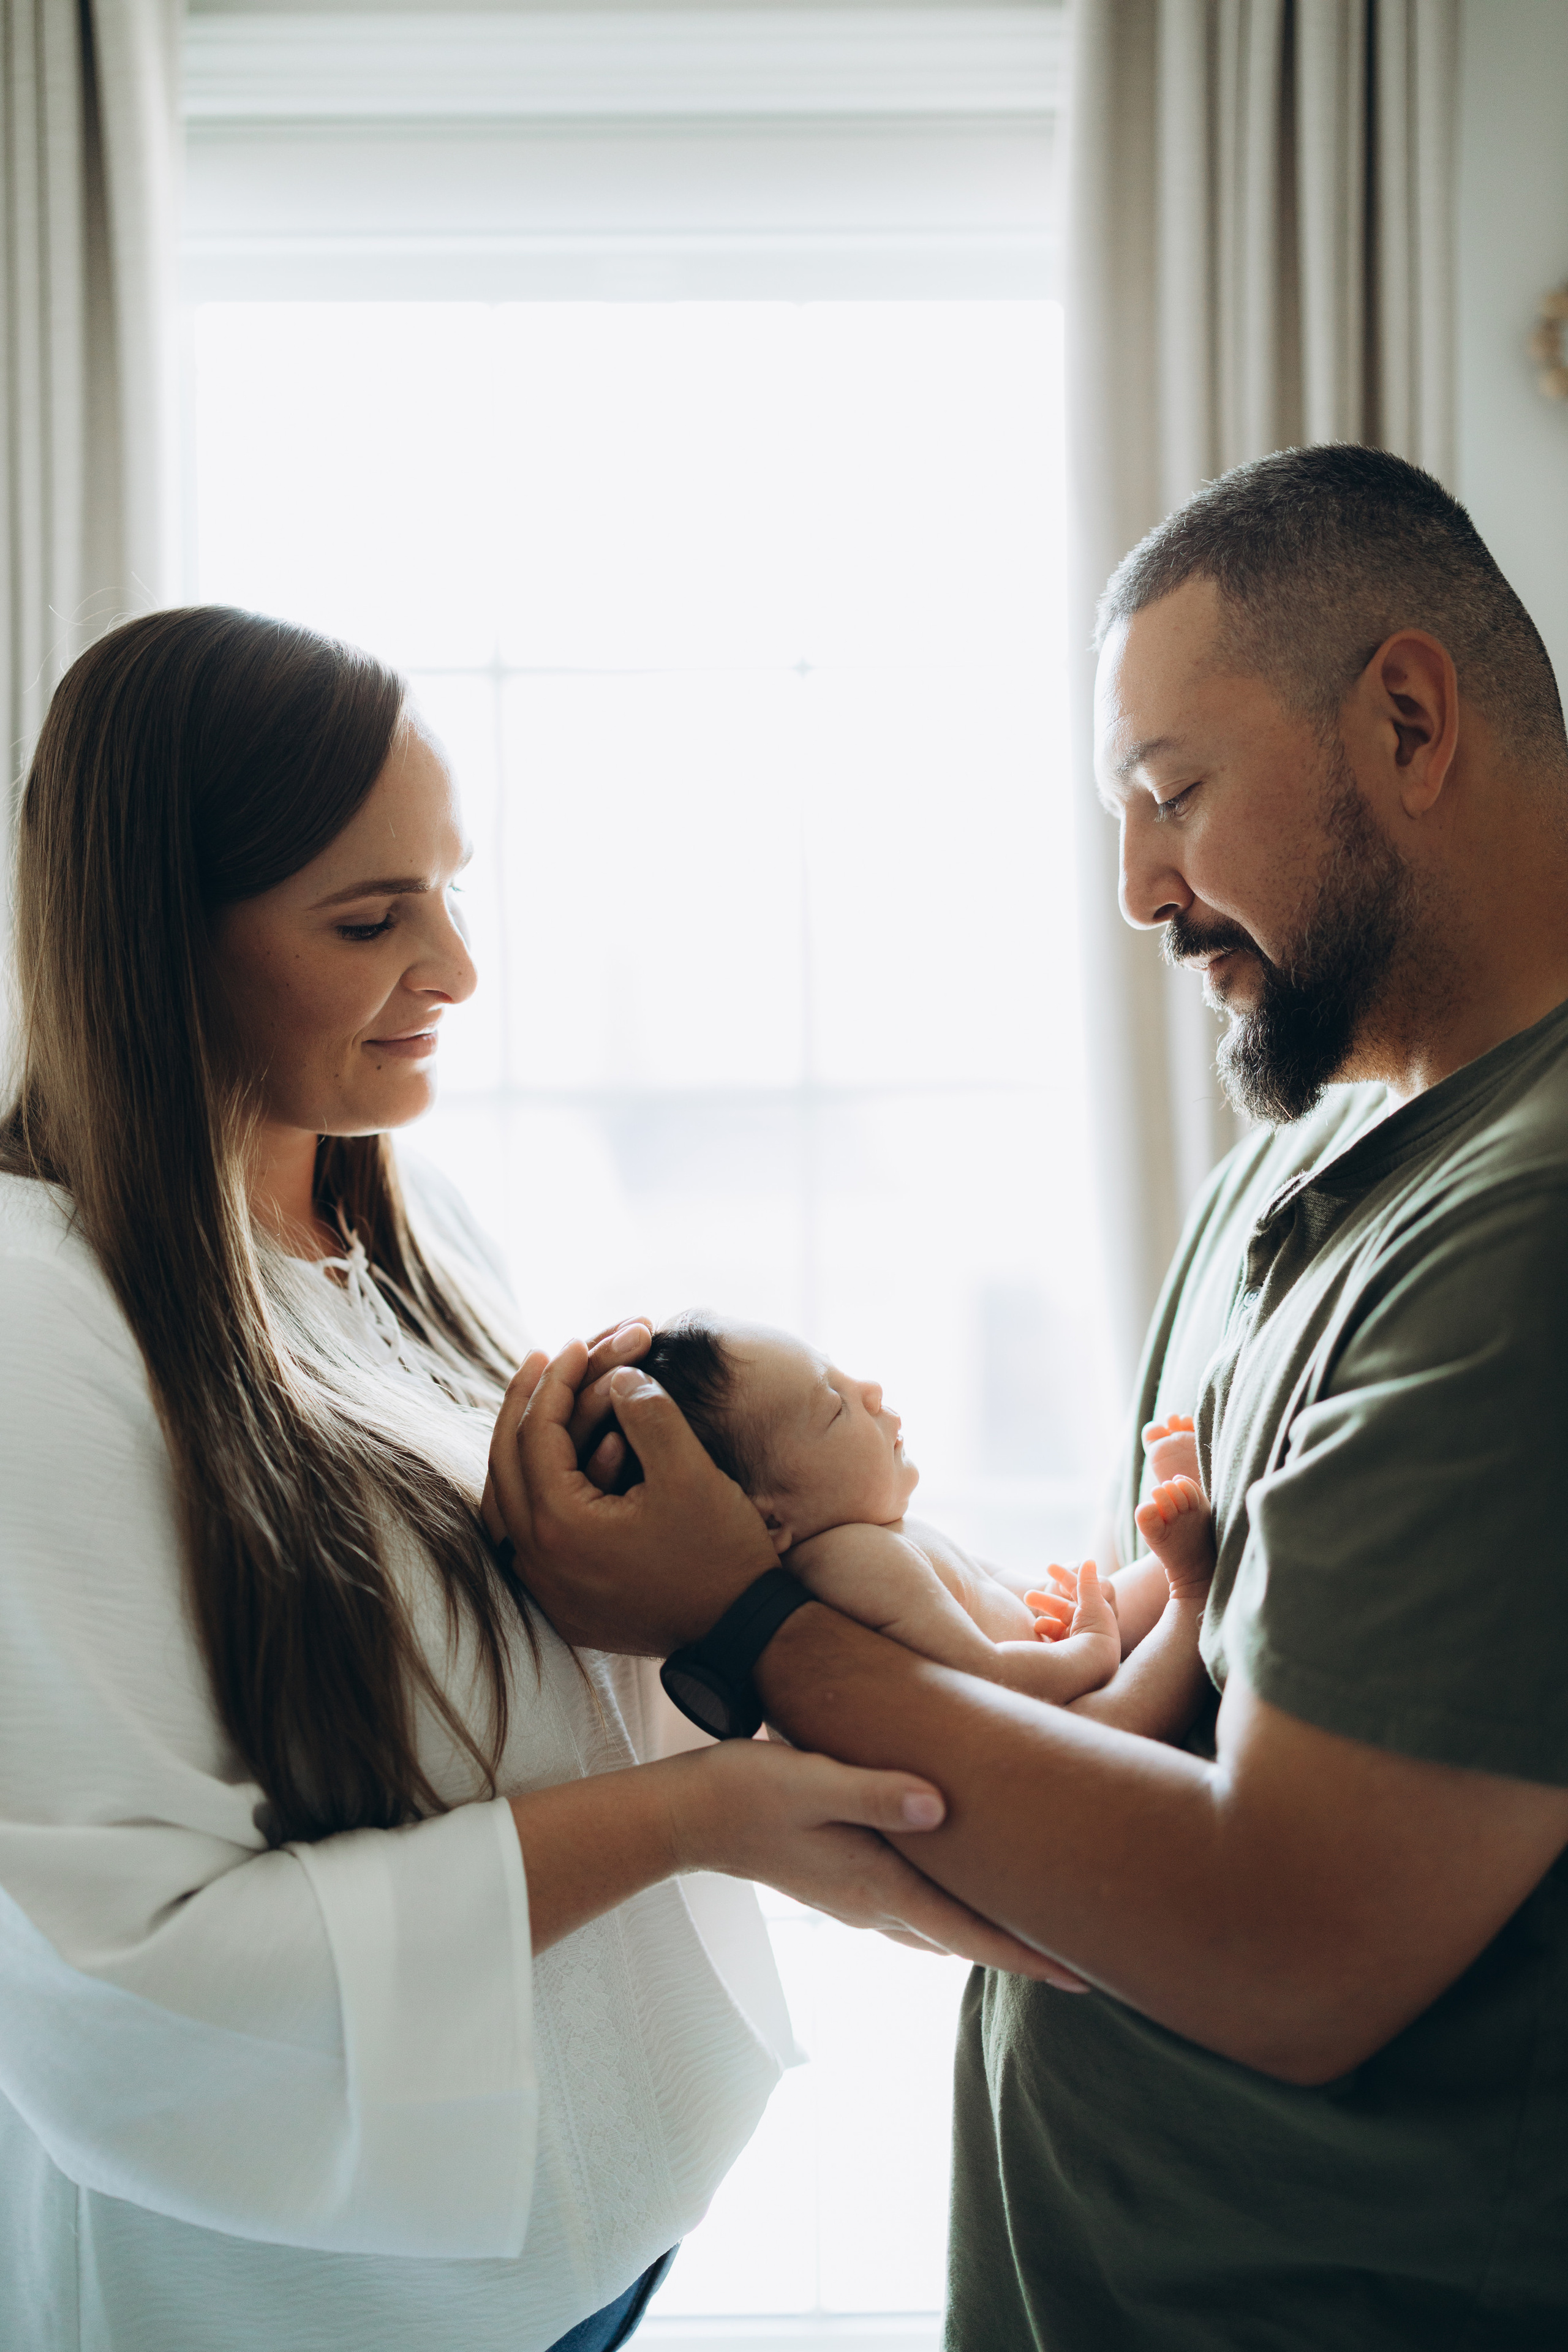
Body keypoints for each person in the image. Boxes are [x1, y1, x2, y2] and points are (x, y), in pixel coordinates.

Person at [488, 446, 1568, 2348]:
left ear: (1407, 716)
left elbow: (1293, 1940)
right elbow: (1129, 1730)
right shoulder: (1294, 1165)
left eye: (1172, 796)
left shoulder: (1529, 1231)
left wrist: (736, 1618)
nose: (1142, 885)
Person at [0, 606, 1059, 2352]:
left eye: (450, 888)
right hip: (330, 2308)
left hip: (591, 2246)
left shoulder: (405, 1234)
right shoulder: (46, 1327)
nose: (459, 971)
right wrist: (710, 1819)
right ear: (159, 940)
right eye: (371, 918)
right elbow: (136, 1991)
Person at [608, 1315, 1213, 1724]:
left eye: (843, 1373)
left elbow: (985, 1585)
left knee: (1120, 1594)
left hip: (1046, 1667)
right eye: (834, 1408)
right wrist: (1090, 1649)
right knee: (1112, 1724)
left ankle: (1180, 1551)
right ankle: (1193, 1589)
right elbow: (986, 1680)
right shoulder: (848, 1564)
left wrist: (1063, 1601)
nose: (870, 1391)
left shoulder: (877, 1537)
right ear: (768, 1521)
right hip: (1044, 1724)